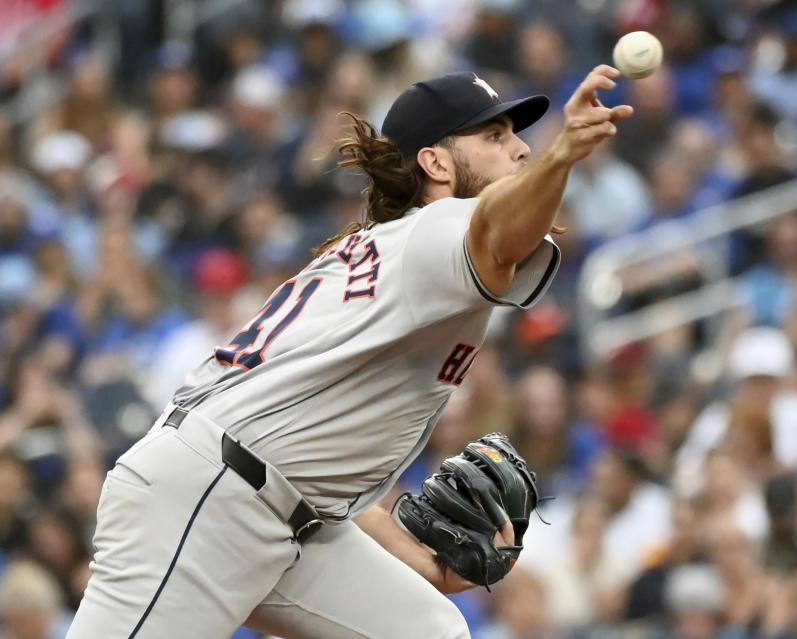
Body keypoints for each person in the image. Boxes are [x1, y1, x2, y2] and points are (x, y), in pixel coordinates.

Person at [66, 65, 634, 639]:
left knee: (428, 631)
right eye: (494, 137)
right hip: (204, 501)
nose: (520, 149)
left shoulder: (389, 251)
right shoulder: (437, 233)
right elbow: (498, 230)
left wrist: (419, 562)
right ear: (435, 164)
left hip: (265, 499)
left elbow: (307, 463)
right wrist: (561, 158)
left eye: (518, 135)